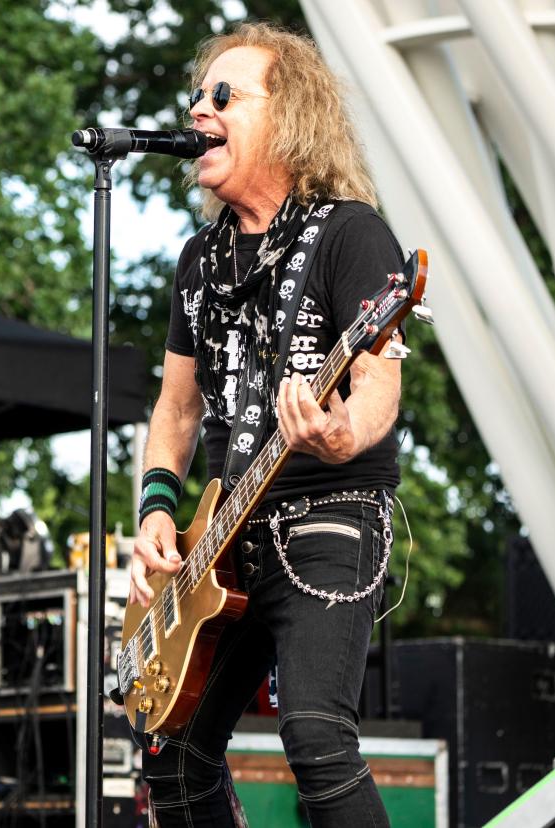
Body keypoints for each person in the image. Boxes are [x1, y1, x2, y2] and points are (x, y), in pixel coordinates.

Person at [130, 22, 403, 827]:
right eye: (194, 97)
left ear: (288, 117)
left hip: (329, 514)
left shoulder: (351, 233)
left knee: (316, 733)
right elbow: (177, 409)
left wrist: (344, 433)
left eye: (223, 96)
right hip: (224, 539)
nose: (198, 111)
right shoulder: (197, 261)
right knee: (173, 762)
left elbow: (377, 380)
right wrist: (154, 509)